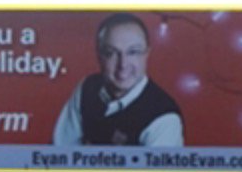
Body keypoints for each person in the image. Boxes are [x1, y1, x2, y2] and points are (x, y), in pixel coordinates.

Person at [51, 13, 184, 147]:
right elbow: (60, 151)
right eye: (111, 53)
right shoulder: (87, 87)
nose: (123, 65)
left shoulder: (164, 117)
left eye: (133, 52)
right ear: (99, 56)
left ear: (147, 54)